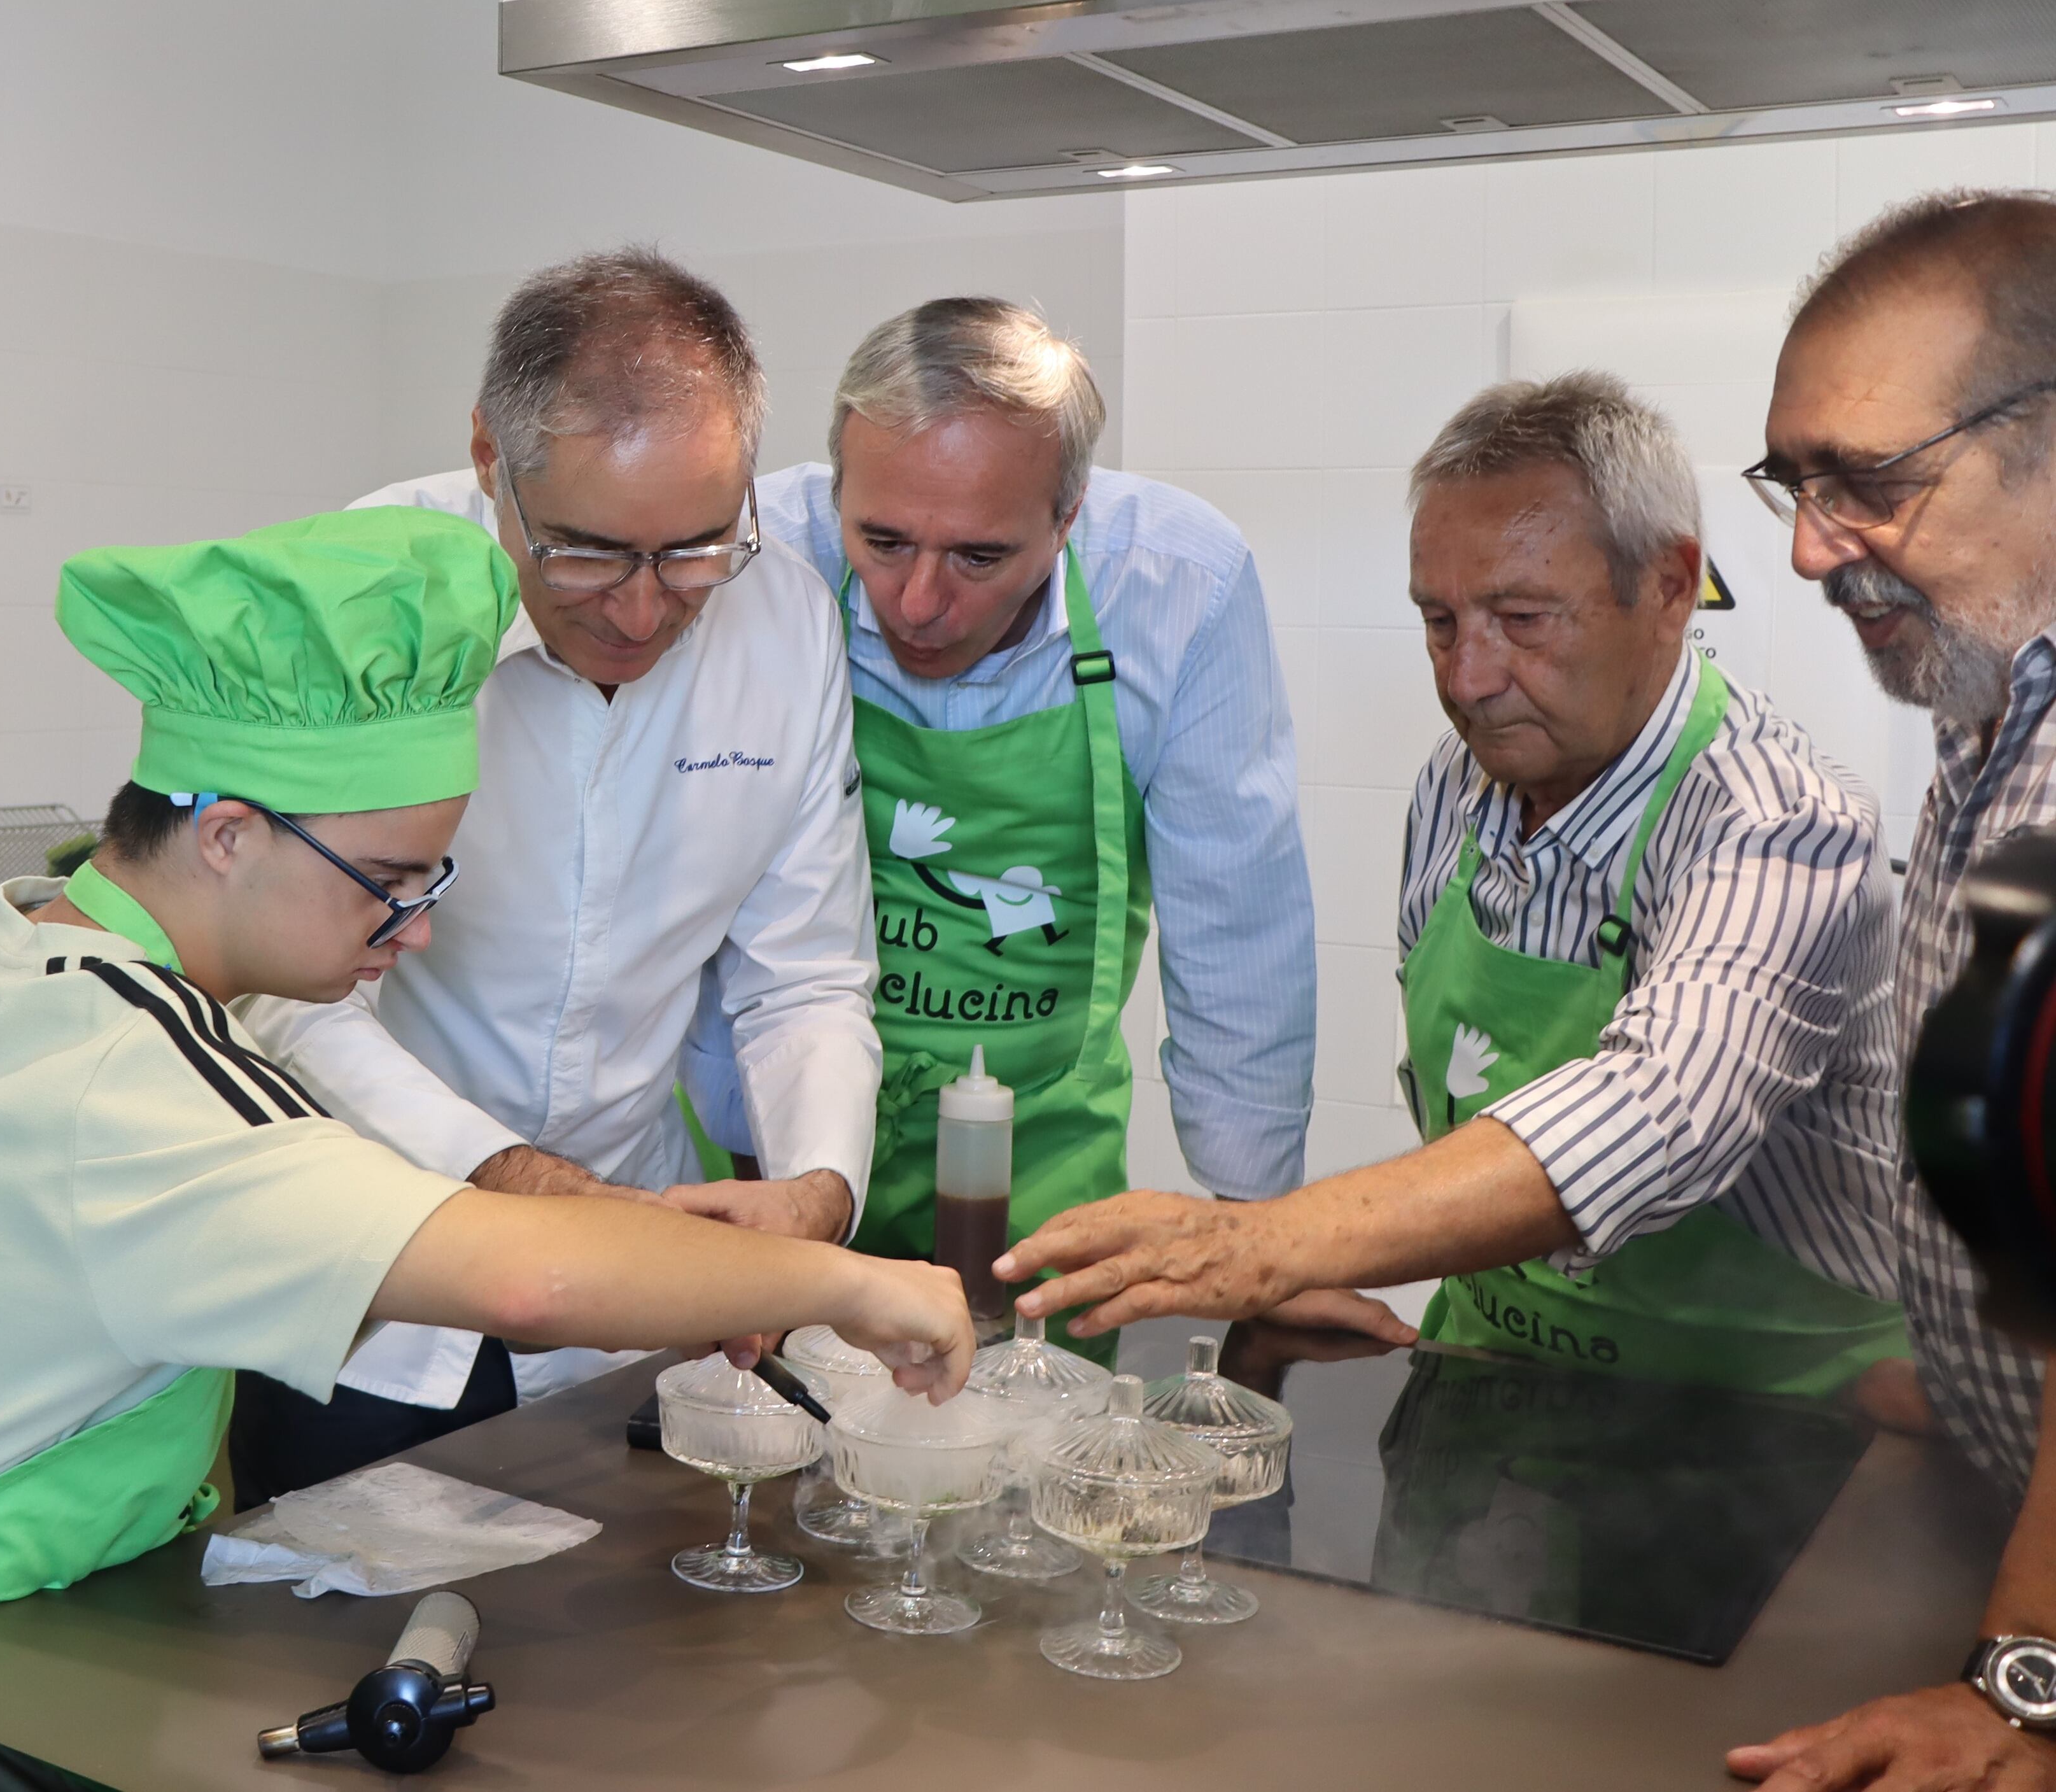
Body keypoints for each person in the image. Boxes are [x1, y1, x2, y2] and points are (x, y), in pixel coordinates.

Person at [0, 508, 969, 1788]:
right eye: (386, 879)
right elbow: (522, 1280)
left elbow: (325, 1282)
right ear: (230, 833)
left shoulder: (36, 961)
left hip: (9, 1632)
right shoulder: (126, 1073)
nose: (410, 930)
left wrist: (678, 1271)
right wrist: (850, 1283)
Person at [1003, 372, 1907, 1402]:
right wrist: (1297, 1256)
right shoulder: (1459, 778)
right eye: (1440, 621)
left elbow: (1661, 1108)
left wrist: (1267, 1240)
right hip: (1488, 1384)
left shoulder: (1782, 824)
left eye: (1523, 618)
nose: (1469, 677)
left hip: (1764, 1433)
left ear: (1667, 588)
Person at [229, 249, 881, 1502]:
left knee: (608, 1653)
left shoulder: (784, 618)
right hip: (369, 1279)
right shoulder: (360, 595)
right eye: (586, 553)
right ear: (489, 458)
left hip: (626, 1296)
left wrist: (814, 1193)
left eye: (695, 550)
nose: (643, 612)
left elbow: (804, 976)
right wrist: (524, 1189)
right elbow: (279, 992)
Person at [676, 297, 1330, 1341]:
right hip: (767, 1172)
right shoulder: (751, 555)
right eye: (881, 541)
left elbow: (1238, 928)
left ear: (1069, 516)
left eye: (979, 557)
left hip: (1044, 1188)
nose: (919, 602)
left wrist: (1261, 1243)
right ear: (833, 487)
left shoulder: (1176, 585)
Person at [1730, 194, 2056, 1792]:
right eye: (1793, 482)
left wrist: (2021, 1691)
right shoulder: (1992, 701)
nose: (1804, 547)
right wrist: (1960, 1365)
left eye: (1866, 483)